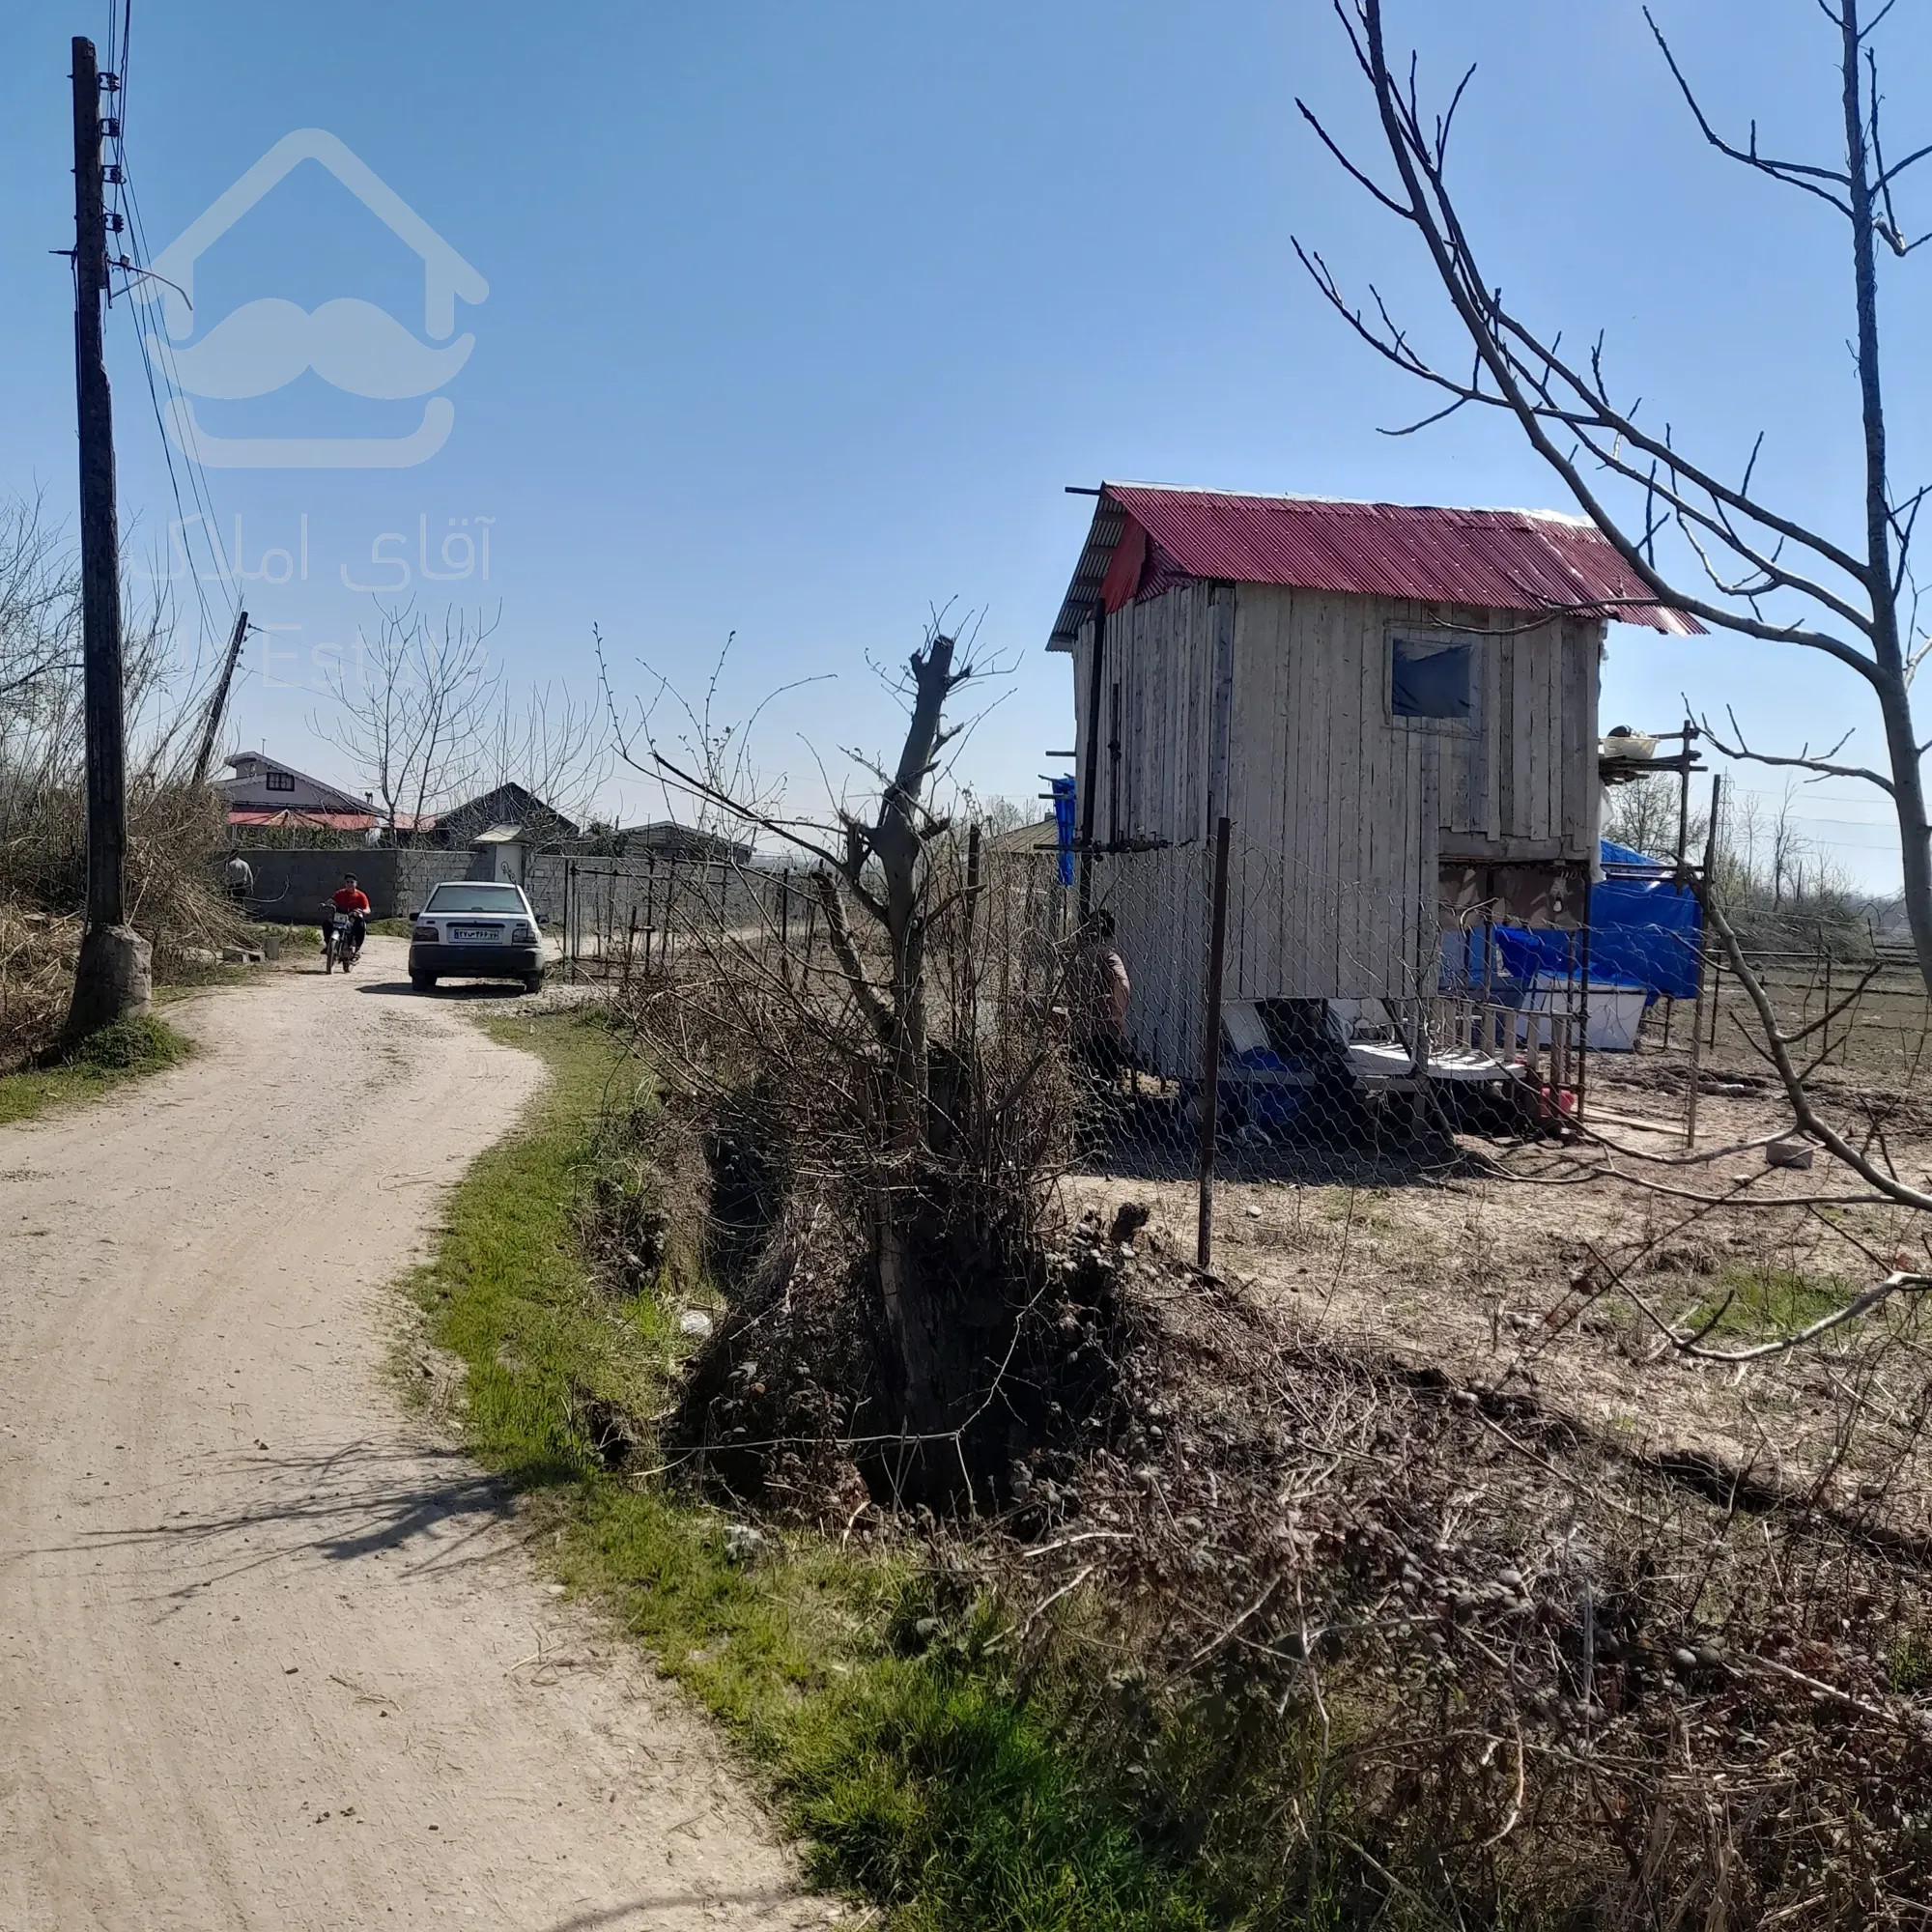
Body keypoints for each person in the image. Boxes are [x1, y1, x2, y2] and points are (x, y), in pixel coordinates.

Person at [325, 874, 371, 955]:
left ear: (356, 883)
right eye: (347, 882)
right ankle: (328, 945)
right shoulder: (340, 893)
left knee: (360, 926)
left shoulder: (361, 895)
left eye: (352, 882)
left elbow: (367, 908)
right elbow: (332, 900)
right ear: (345, 883)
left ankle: (357, 947)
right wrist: (328, 904)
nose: (349, 884)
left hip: (353, 915)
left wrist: (363, 911)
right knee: (326, 923)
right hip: (340, 915)